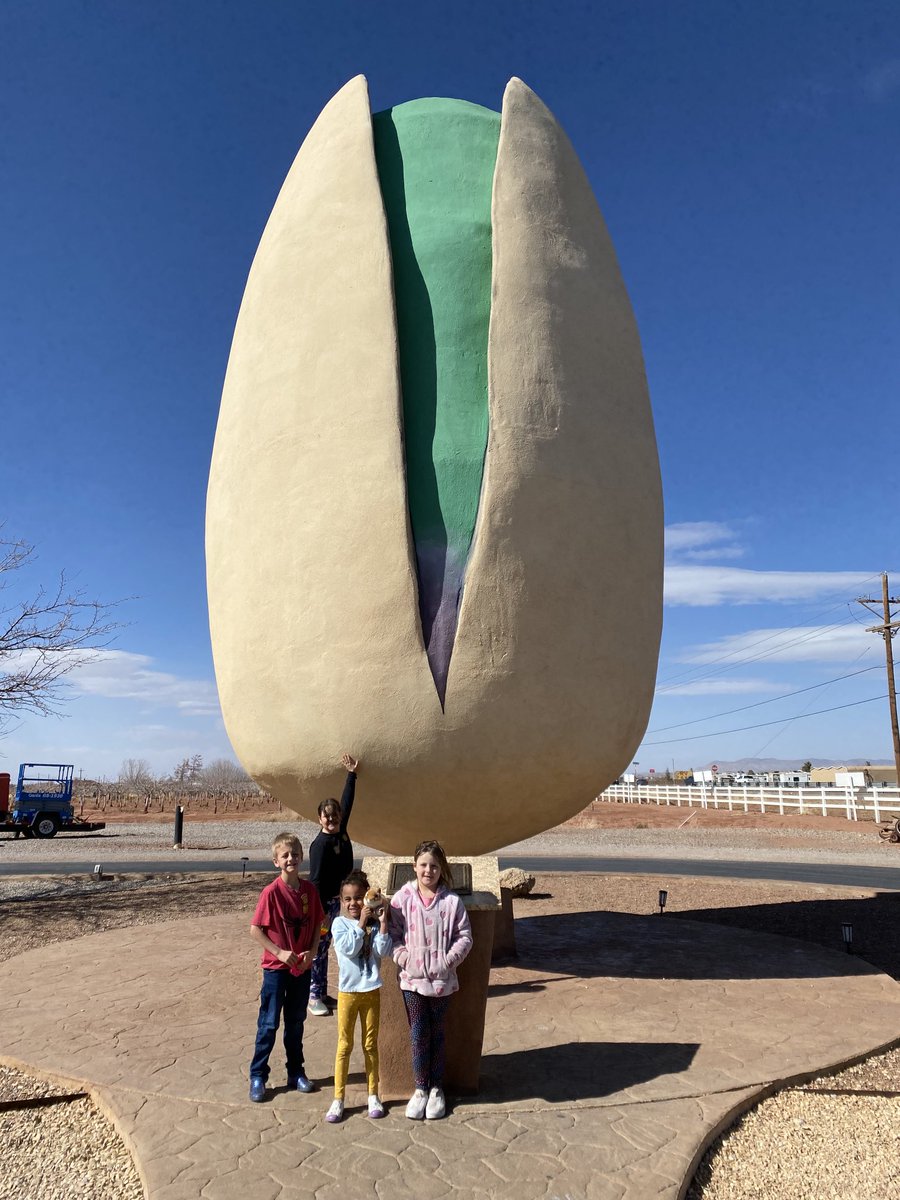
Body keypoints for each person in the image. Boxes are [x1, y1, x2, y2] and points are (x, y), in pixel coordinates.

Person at [388, 839, 472, 1120]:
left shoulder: (451, 902)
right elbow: (393, 935)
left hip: (441, 982)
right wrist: (405, 959)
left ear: (441, 869)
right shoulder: (402, 899)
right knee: (418, 1034)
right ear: (414, 867)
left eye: (434, 866)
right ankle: (420, 1088)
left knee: (437, 1033)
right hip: (412, 981)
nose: (428, 871)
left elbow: (464, 937)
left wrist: (446, 962)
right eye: (423, 865)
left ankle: (437, 1088)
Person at [247, 832, 324, 1102]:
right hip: (275, 970)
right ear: (276, 861)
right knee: (268, 1023)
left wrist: (312, 953)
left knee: (296, 1022)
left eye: (295, 854)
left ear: (302, 857)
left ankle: (296, 1072)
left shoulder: (310, 891)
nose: (291, 859)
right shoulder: (271, 893)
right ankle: (258, 1075)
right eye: (285, 855)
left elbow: (317, 925)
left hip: (301, 969)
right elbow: (256, 930)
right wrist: (279, 953)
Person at [324, 870, 392, 1122]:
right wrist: (362, 924)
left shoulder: (375, 925)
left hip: (371, 990)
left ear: (368, 899)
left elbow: (383, 951)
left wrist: (383, 924)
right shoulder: (339, 924)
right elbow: (349, 950)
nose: (354, 904)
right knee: (344, 1045)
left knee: (370, 1045)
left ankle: (373, 1094)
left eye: (359, 898)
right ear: (342, 901)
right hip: (348, 993)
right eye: (348, 899)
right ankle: (338, 1098)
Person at [308, 752, 359, 1016]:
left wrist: (352, 775)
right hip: (324, 903)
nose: (332, 820)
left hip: (337, 900)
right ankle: (314, 995)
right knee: (319, 947)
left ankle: (322, 992)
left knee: (327, 948)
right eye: (327, 817)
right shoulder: (320, 846)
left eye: (335, 816)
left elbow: (347, 804)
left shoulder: (342, 831)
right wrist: (318, 915)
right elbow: (315, 880)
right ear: (320, 819)